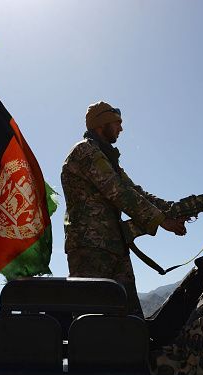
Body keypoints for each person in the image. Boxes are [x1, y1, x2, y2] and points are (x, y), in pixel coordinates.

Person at [61, 101, 187, 317]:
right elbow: (118, 192)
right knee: (92, 319)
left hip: (114, 246)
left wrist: (174, 208)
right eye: (117, 123)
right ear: (101, 124)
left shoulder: (107, 158)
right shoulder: (85, 152)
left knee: (128, 318)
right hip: (90, 248)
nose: (121, 128)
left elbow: (135, 191)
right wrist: (161, 221)